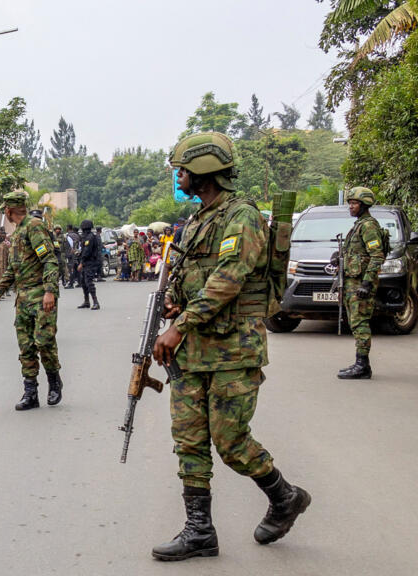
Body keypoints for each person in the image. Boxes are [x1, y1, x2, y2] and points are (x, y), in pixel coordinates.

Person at [151, 132, 309, 561]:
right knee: (189, 439)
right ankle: (199, 531)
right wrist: (174, 302)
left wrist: (179, 326)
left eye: (183, 170)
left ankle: (285, 496)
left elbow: (228, 280)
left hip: (233, 351)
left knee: (230, 441)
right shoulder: (198, 220)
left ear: (203, 170)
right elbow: (192, 277)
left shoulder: (242, 217)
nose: (179, 177)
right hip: (194, 351)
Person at [0, 192, 63, 410]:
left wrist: (49, 291)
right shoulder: (18, 232)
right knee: (26, 346)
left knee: (44, 342)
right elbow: (12, 269)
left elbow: (49, 260)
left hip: (41, 296)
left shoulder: (34, 227)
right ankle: (30, 393)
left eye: (5, 210)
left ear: (9, 210)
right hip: (23, 299)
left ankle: (54, 381)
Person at [338, 186, 386, 379]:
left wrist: (366, 283)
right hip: (353, 282)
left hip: (360, 283)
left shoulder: (368, 226)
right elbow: (358, 253)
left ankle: (362, 365)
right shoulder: (359, 225)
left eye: (354, 203)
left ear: (364, 205)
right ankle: (361, 363)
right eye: (350, 203)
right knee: (355, 322)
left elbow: (377, 256)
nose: (351, 206)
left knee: (360, 323)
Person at [76, 219, 101, 310]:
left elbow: (87, 251)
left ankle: (96, 302)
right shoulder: (87, 237)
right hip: (86, 262)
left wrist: (81, 263)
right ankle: (86, 301)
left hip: (90, 263)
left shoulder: (89, 237)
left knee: (89, 282)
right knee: (83, 282)